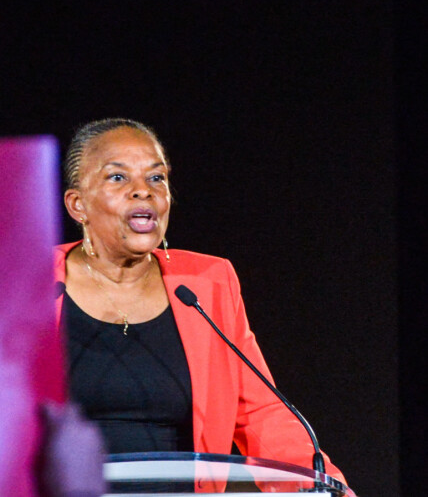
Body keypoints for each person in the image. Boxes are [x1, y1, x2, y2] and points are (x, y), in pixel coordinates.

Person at [54, 118, 347, 489]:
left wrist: (326, 486)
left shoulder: (205, 284)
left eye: (156, 178)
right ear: (77, 205)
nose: (143, 191)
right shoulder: (33, 285)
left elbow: (259, 413)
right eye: (118, 178)